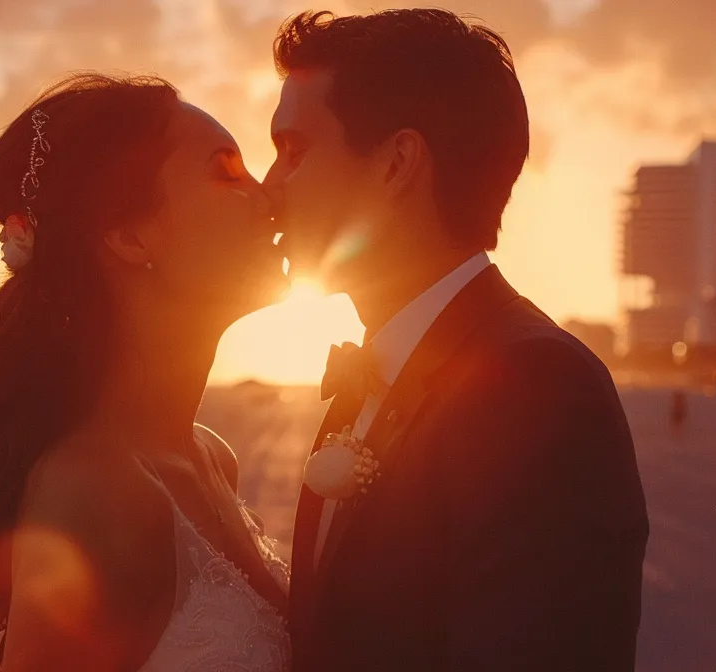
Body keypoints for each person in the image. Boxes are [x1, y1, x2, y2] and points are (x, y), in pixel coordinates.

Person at [265, 10, 648, 671]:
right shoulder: (386, 369)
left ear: (397, 163)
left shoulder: (532, 389)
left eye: (294, 152)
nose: (270, 190)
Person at [0, 74, 289, 671]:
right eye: (227, 173)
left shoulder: (208, 457)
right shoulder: (96, 490)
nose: (270, 196)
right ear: (129, 235)